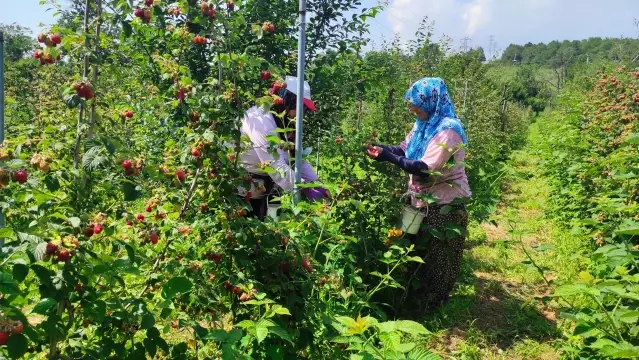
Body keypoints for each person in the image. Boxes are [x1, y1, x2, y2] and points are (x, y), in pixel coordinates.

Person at [366, 77, 471, 307]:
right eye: (411, 104)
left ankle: (435, 305)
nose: (412, 108)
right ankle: (410, 297)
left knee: (439, 256)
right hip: (418, 199)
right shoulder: (422, 124)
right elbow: (404, 149)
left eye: (416, 104)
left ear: (431, 102)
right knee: (409, 247)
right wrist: (382, 150)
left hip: (443, 202)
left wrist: (389, 158)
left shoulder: (448, 130)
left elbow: (425, 169)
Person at [239, 76, 330, 220]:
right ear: (288, 100)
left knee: (261, 229)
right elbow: (275, 165)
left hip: (262, 187)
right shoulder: (259, 119)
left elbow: (296, 157)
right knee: (242, 230)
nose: (302, 114)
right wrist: (305, 187)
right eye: (301, 108)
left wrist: (317, 184)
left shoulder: (285, 122)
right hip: (242, 188)